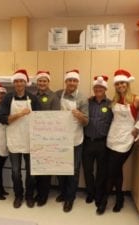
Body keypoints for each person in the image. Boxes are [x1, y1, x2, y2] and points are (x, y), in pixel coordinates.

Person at [98, 69, 139, 214]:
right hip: (112, 136)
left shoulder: (137, 99)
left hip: (126, 138)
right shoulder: (114, 100)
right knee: (116, 170)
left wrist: (138, 129)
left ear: (127, 83)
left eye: (122, 83)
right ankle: (120, 198)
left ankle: (104, 200)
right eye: (118, 83)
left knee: (110, 171)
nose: (120, 85)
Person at [0, 69, 41, 208]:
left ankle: (29, 196)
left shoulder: (33, 98)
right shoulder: (7, 98)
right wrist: (20, 114)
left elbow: (39, 119)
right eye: (16, 81)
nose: (19, 84)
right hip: (15, 139)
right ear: (13, 83)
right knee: (15, 172)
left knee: (31, 172)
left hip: (30, 139)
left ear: (26, 83)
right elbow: (3, 119)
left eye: (21, 81)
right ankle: (18, 196)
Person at [55, 69, 89, 213]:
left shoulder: (82, 98)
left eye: (74, 81)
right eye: (69, 80)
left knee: (73, 170)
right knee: (60, 168)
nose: (72, 83)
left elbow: (86, 121)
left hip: (76, 139)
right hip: (59, 139)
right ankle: (63, 192)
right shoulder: (58, 94)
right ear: (66, 82)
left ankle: (70, 198)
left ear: (77, 82)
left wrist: (80, 115)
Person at [82, 75, 113, 214]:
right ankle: (90, 193)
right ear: (93, 89)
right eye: (96, 87)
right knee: (88, 170)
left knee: (101, 171)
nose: (98, 89)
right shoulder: (87, 102)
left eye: (101, 87)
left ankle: (99, 195)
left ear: (105, 89)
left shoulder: (111, 104)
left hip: (102, 143)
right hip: (88, 141)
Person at [34, 70, 60, 206]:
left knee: (46, 167)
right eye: (40, 81)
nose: (42, 83)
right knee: (37, 167)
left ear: (48, 82)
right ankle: (38, 192)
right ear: (37, 83)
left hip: (49, 138)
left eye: (44, 81)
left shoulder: (54, 97)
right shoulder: (33, 96)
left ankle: (43, 195)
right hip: (35, 138)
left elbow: (56, 118)